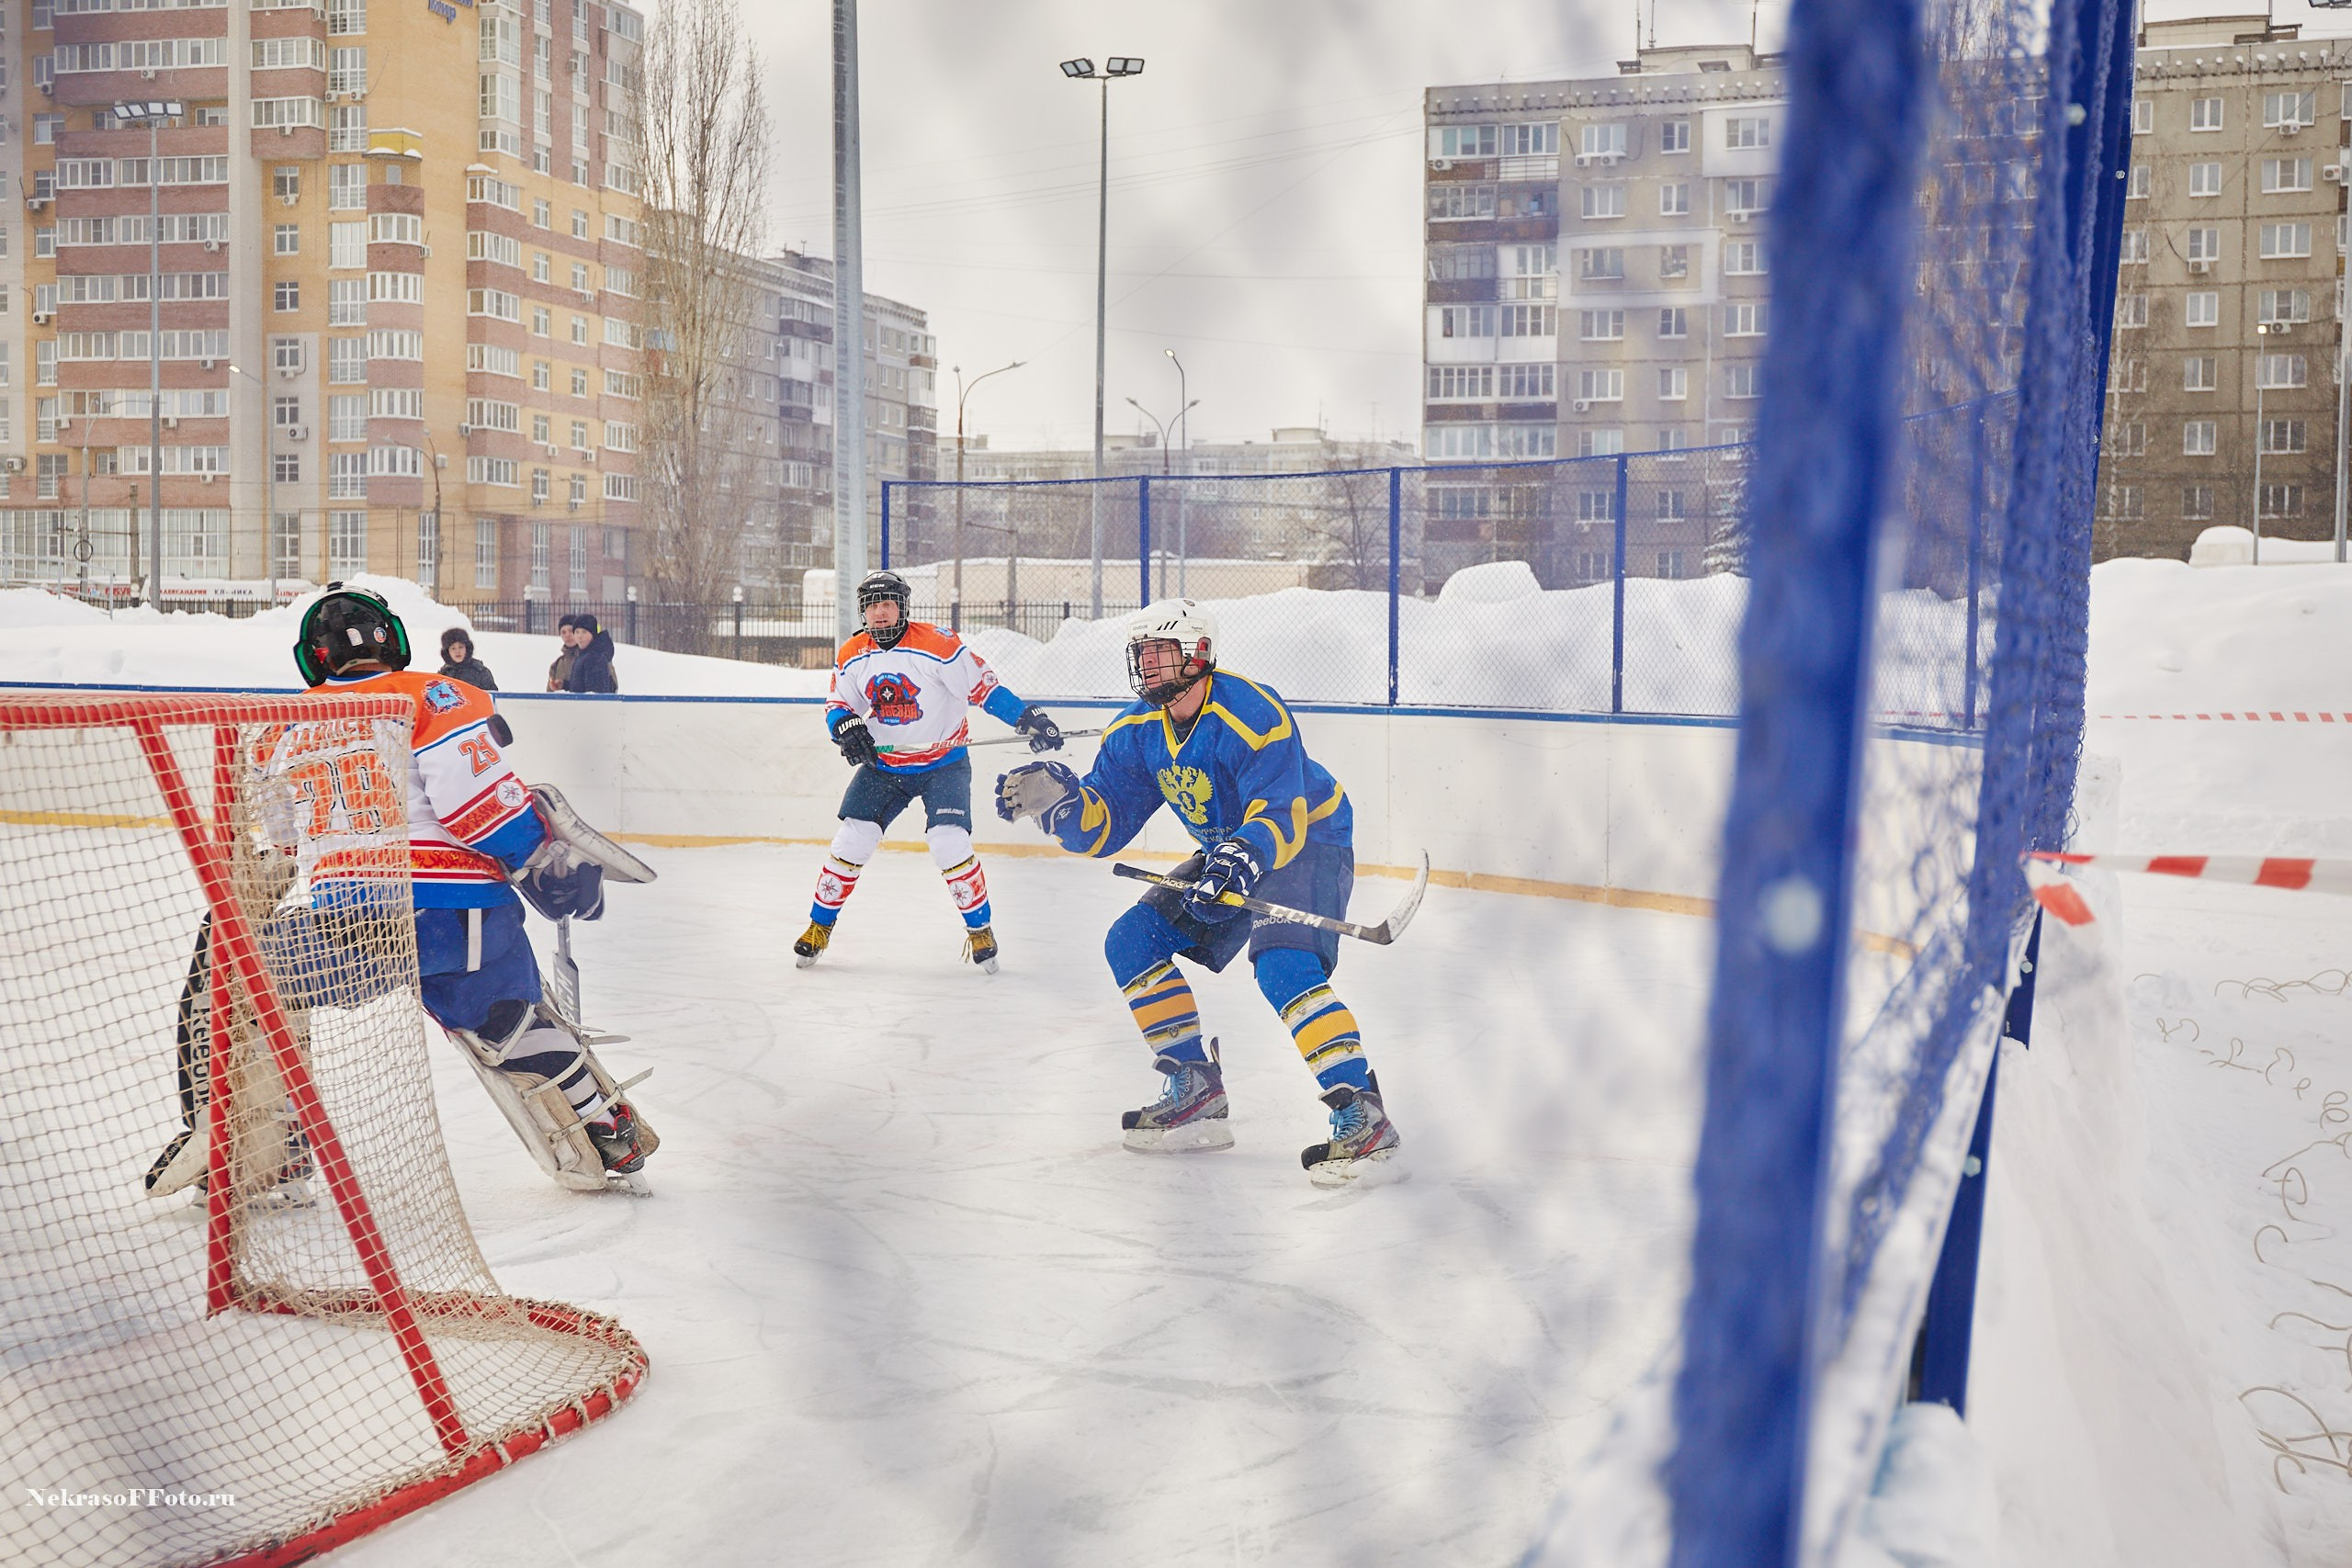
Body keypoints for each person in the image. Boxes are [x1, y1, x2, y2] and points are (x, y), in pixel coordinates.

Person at [995, 599, 1401, 1187]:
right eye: (1142, 653)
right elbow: (1106, 824)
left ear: (1199, 654)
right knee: (1131, 941)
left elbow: (1281, 812)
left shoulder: (1251, 711)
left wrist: (1241, 859)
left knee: (1283, 965)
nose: (1148, 665)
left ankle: (1363, 1114)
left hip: (1306, 840)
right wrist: (1062, 806)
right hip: (1227, 854)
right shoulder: (1136, 730)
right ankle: (1196, 1088)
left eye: (1161, 652)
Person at [264, 583, 650, 1186]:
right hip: (458, 915)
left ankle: (273, 1142)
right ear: (390, 640)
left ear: (314, 657)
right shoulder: (432, 695)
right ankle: (606, 1123)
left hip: (350, 923)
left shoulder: (284, 726)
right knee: (507, 1020)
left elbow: (285, 838)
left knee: (254, 982)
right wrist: (543, 860)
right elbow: (479, 808)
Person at [794, 568, 1064, 974]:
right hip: (885, 765)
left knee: (948, 842)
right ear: (863, 611)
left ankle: (980, 930)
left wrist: (1027, 719)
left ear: (902, 607)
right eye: (872, 606)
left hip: (944, 764)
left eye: (887, 604)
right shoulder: (852, 653)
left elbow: (984, 689)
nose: (880, 613)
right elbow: (838, 705)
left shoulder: (939, 645)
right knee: (852, 839)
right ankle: (819, 926)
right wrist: (845, 726)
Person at [551, 614, 618, 694]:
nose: (580, 636)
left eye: (584, 632)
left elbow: (593, 693)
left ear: (592, 634)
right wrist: (564, 685)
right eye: (577, 632)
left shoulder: (594, 657)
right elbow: (580, 687)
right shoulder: (583, 656)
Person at [438, 627, 498, 692]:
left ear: (467, 648)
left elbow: (492, 695)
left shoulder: (480, 672)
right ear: (447, 651)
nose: (457, 651)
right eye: (453, 648)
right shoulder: (443, 674)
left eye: (461, 647)